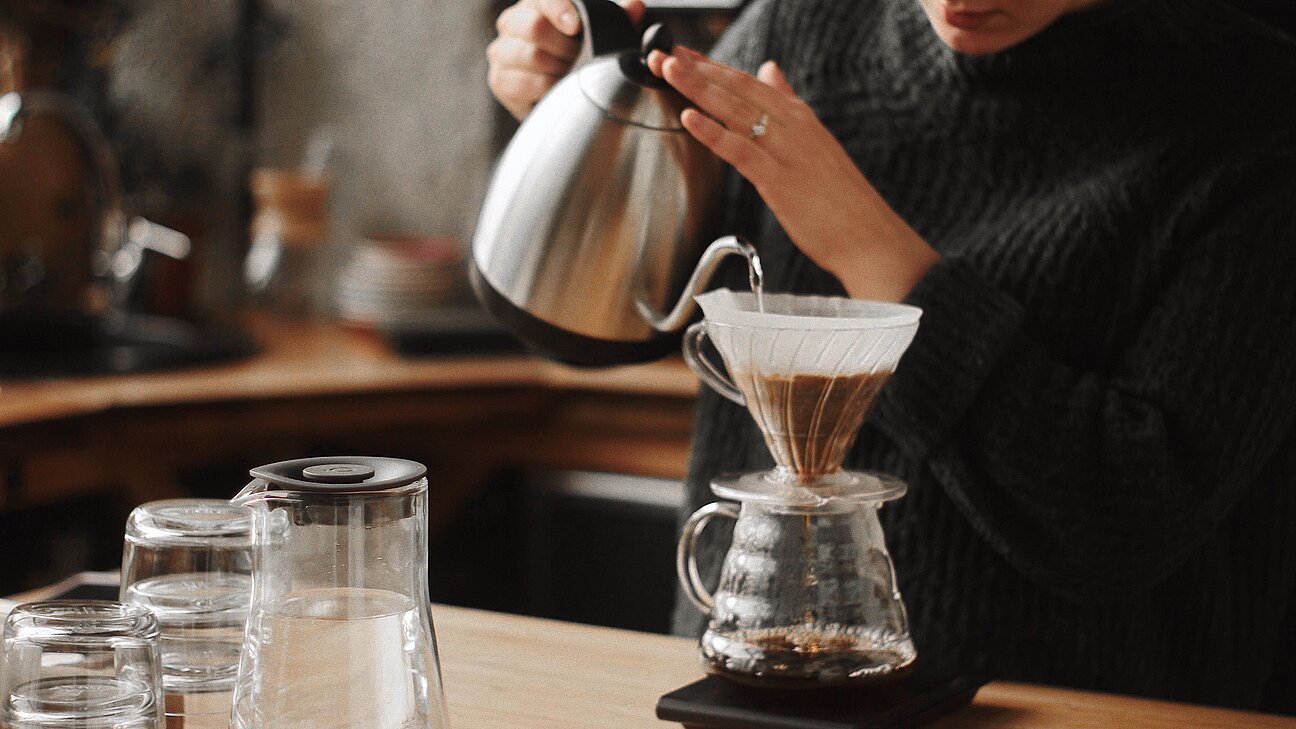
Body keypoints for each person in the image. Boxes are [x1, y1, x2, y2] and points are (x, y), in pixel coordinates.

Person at [487, 0, 1296, 711]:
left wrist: (871, 250)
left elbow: (1124, 515)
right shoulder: (805, 24)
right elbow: (619, 318)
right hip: (748, 697)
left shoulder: (1257, 118)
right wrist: (585, 123)